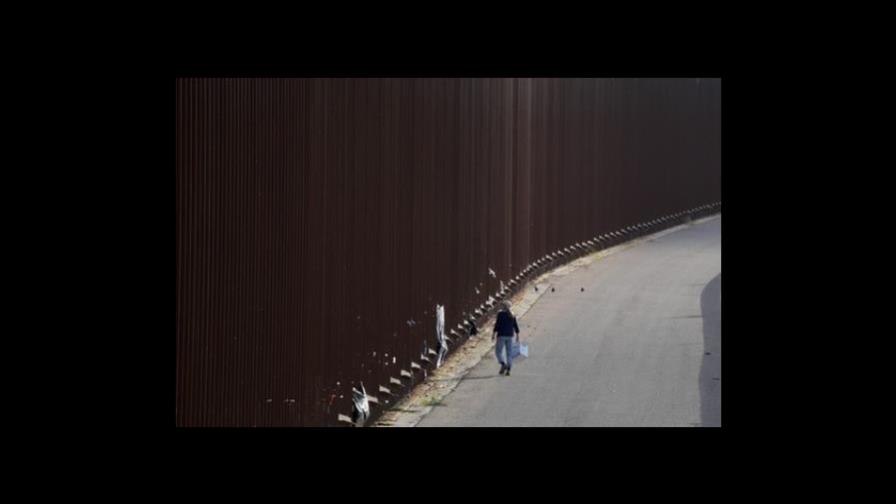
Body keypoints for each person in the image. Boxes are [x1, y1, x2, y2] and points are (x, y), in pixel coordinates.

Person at [492, 301, 520, 376]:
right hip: (510, 335)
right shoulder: (512, 314)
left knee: (498, 351)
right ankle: (509, 369)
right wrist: (517, 335)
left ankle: (502, 363)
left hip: (501, 335)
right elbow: (515, 325)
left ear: (503, 307)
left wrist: (493, 333)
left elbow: (497, 325)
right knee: (509, 353)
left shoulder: (500, 314)